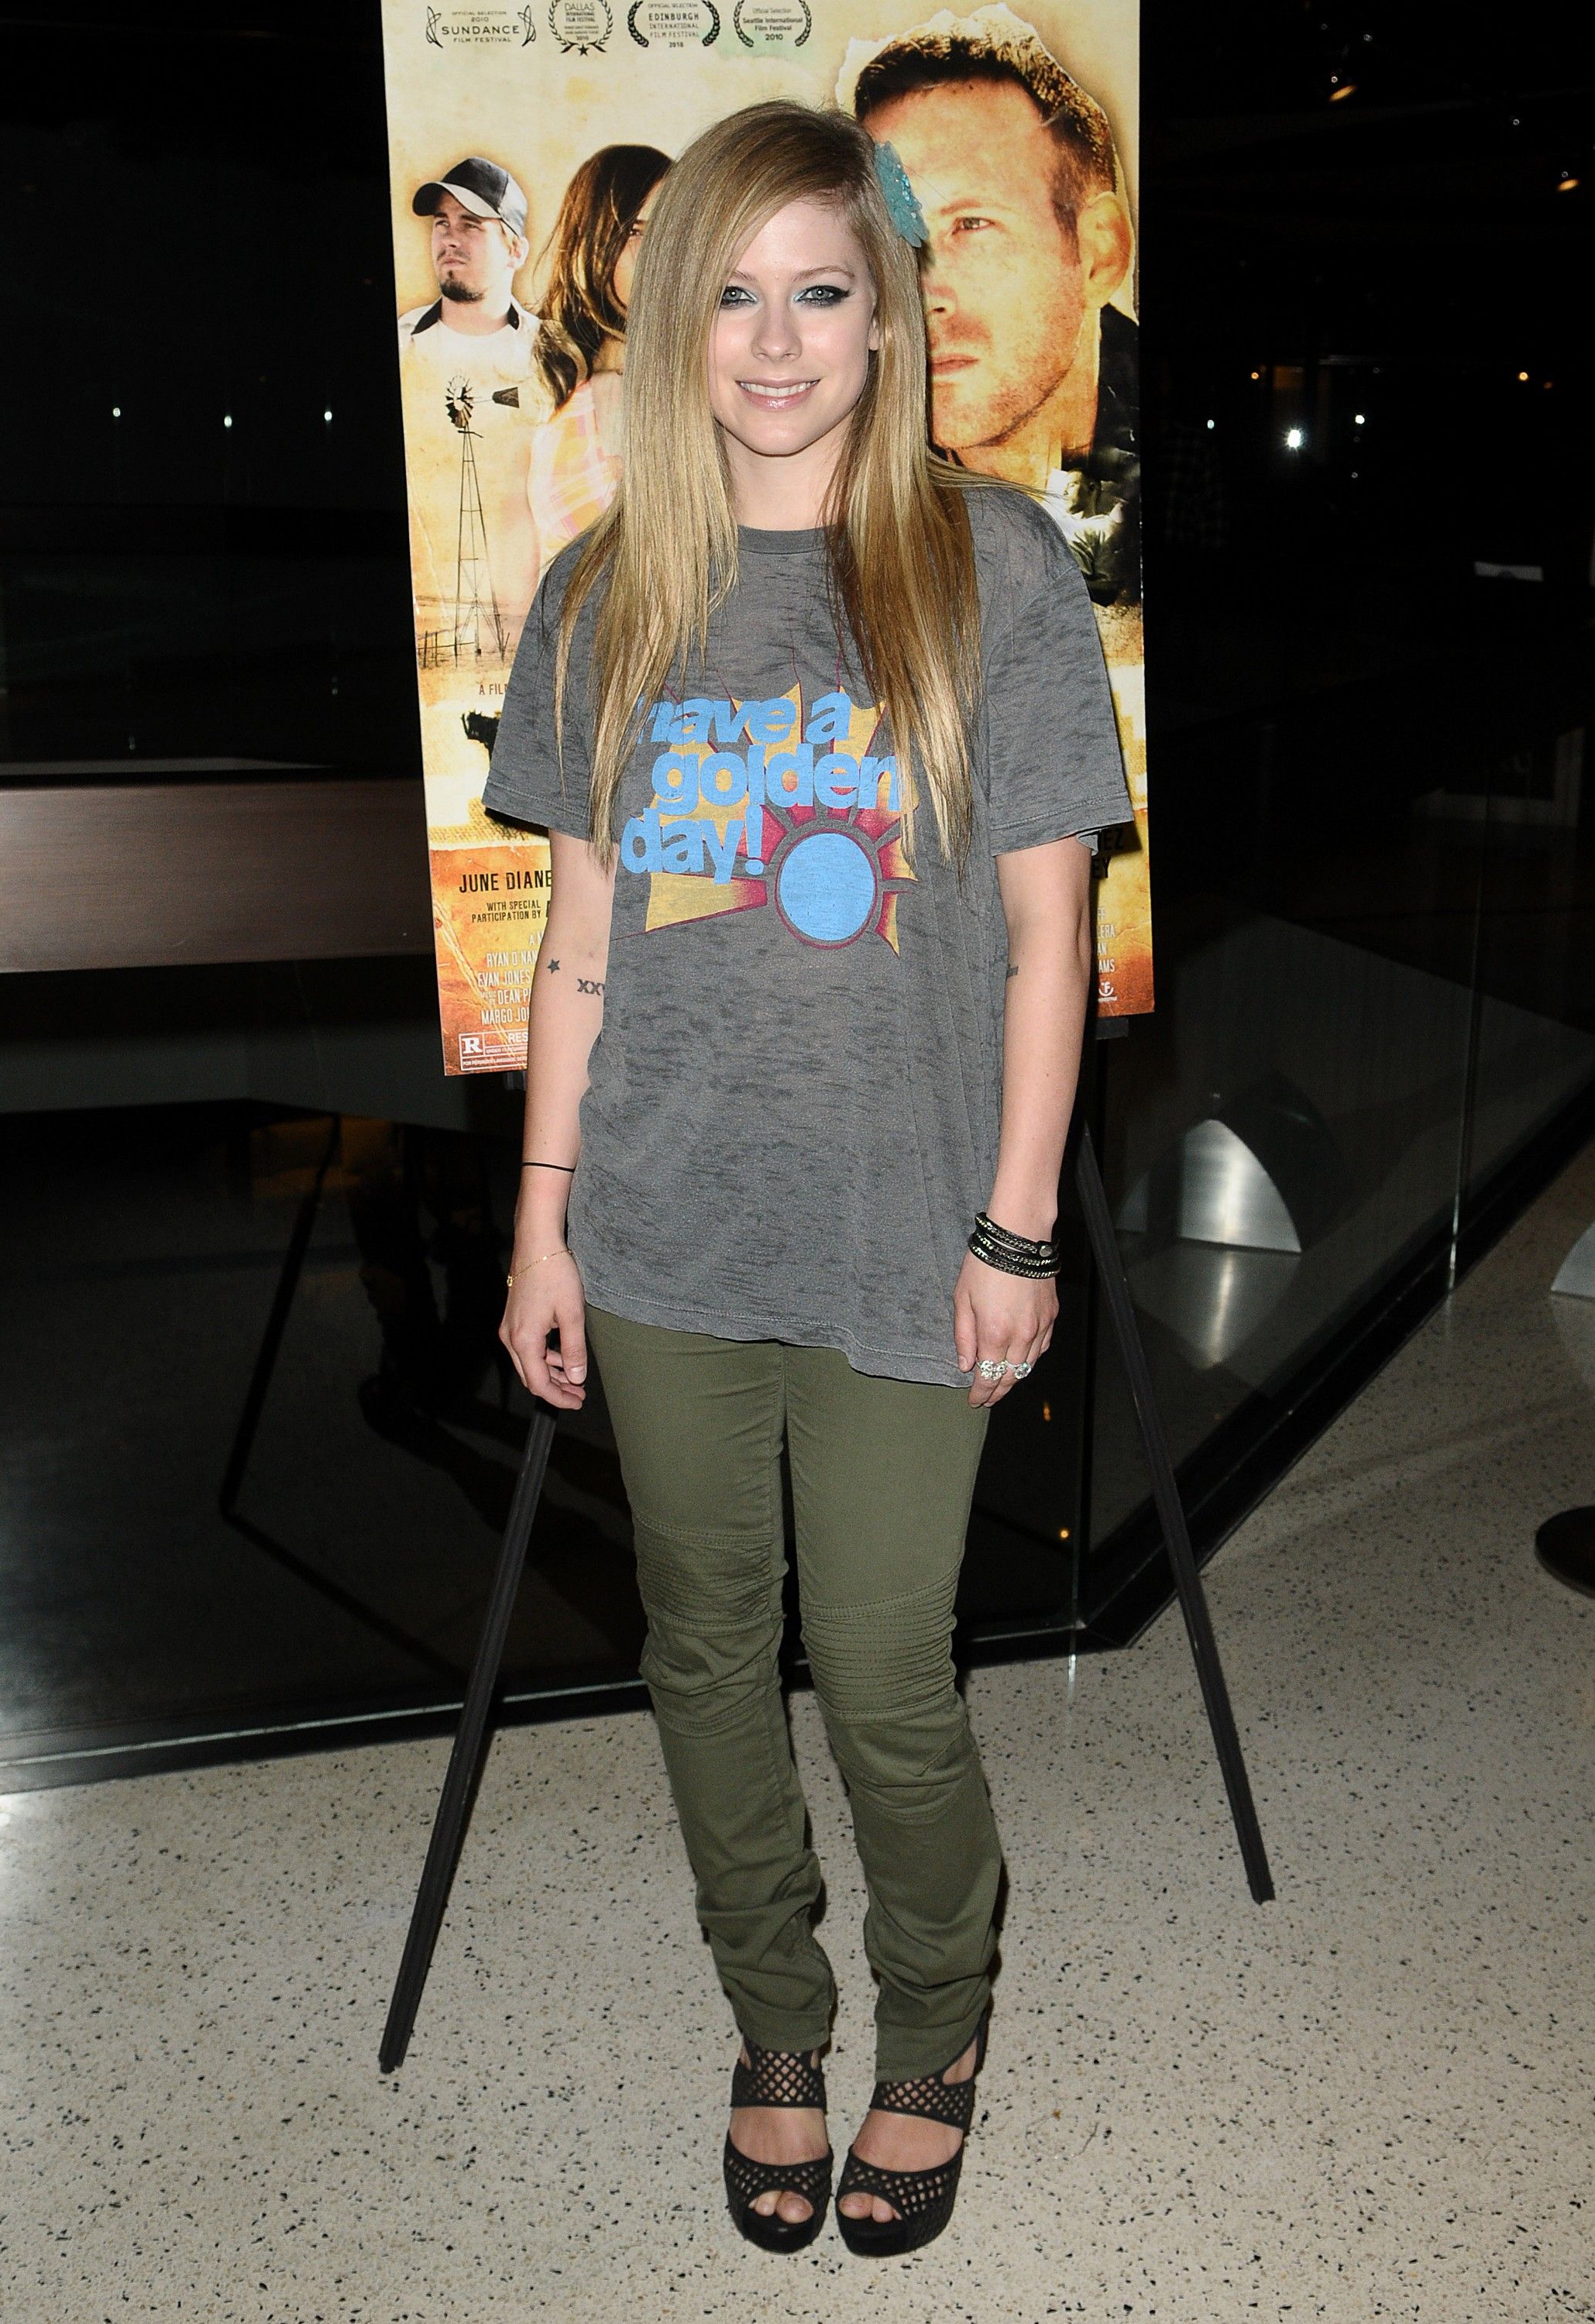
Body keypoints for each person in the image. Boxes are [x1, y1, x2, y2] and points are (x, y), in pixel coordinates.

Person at [485, 100, 1132, 2258]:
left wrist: (1014, 1228)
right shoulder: (607, 592)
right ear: (678, 320)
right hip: (662, 1229)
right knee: (698, 1649)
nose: (776, 343)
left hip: (900, 1232)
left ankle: (935, 2020)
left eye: (821, 292)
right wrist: (541, 1224)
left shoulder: (993, 571)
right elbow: (581, 940)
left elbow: (1047, 938)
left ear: (883, 317)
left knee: (879, 1671)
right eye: (735, 297)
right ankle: (776, 2017)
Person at [851, 8, 1140, 603]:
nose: (919, 295)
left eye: (970, 225)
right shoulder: (839, 473)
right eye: (892, 237)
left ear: (1098, 255)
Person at [397, 157, 548, 662]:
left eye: (471, 224)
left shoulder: (555, 356)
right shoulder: (401, 348)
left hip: (534, 625)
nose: (450, 238)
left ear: (515, 250)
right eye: (442, 223)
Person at [528, 144, 671, 566]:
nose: (664, 255)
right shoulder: (611, 395)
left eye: (675, 231)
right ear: (595, 244)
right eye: (638, 232)